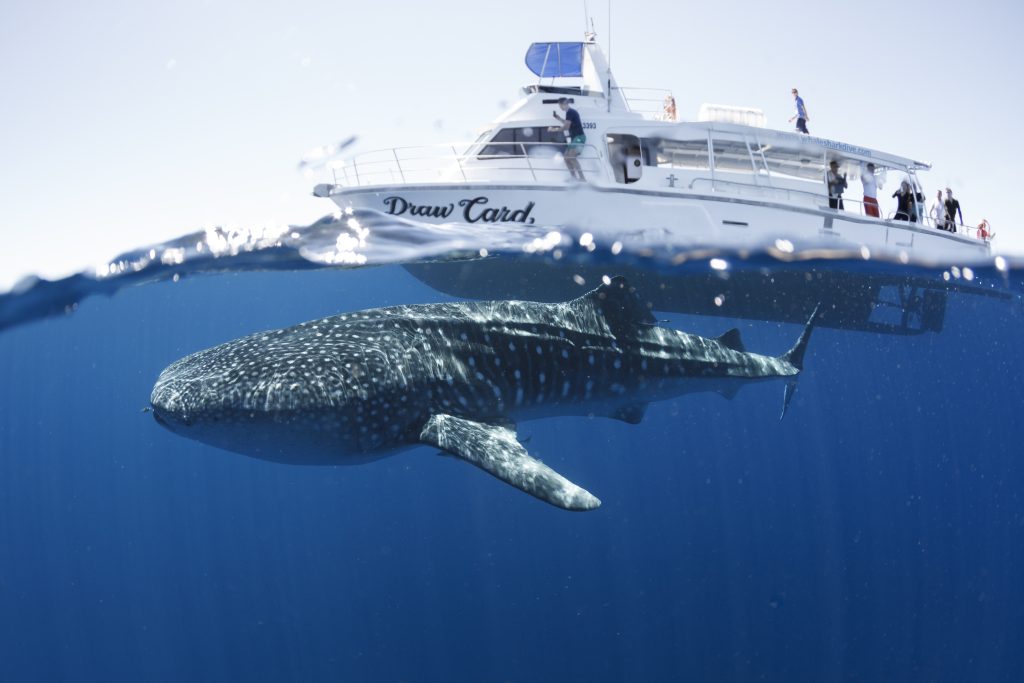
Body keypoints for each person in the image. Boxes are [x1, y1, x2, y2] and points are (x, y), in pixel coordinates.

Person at [551, 97, 586, 181]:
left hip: (579, 138)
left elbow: (566, 127)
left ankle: (582, 178)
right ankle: (573, 178)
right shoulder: (569, 113)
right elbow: (567, 123)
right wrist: (558, 118)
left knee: (571, 157)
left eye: (560, 105)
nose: (560, 107)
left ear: (563, 104)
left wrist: (553, 129)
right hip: (575, 138)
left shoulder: (570, 112)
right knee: (566, 158)